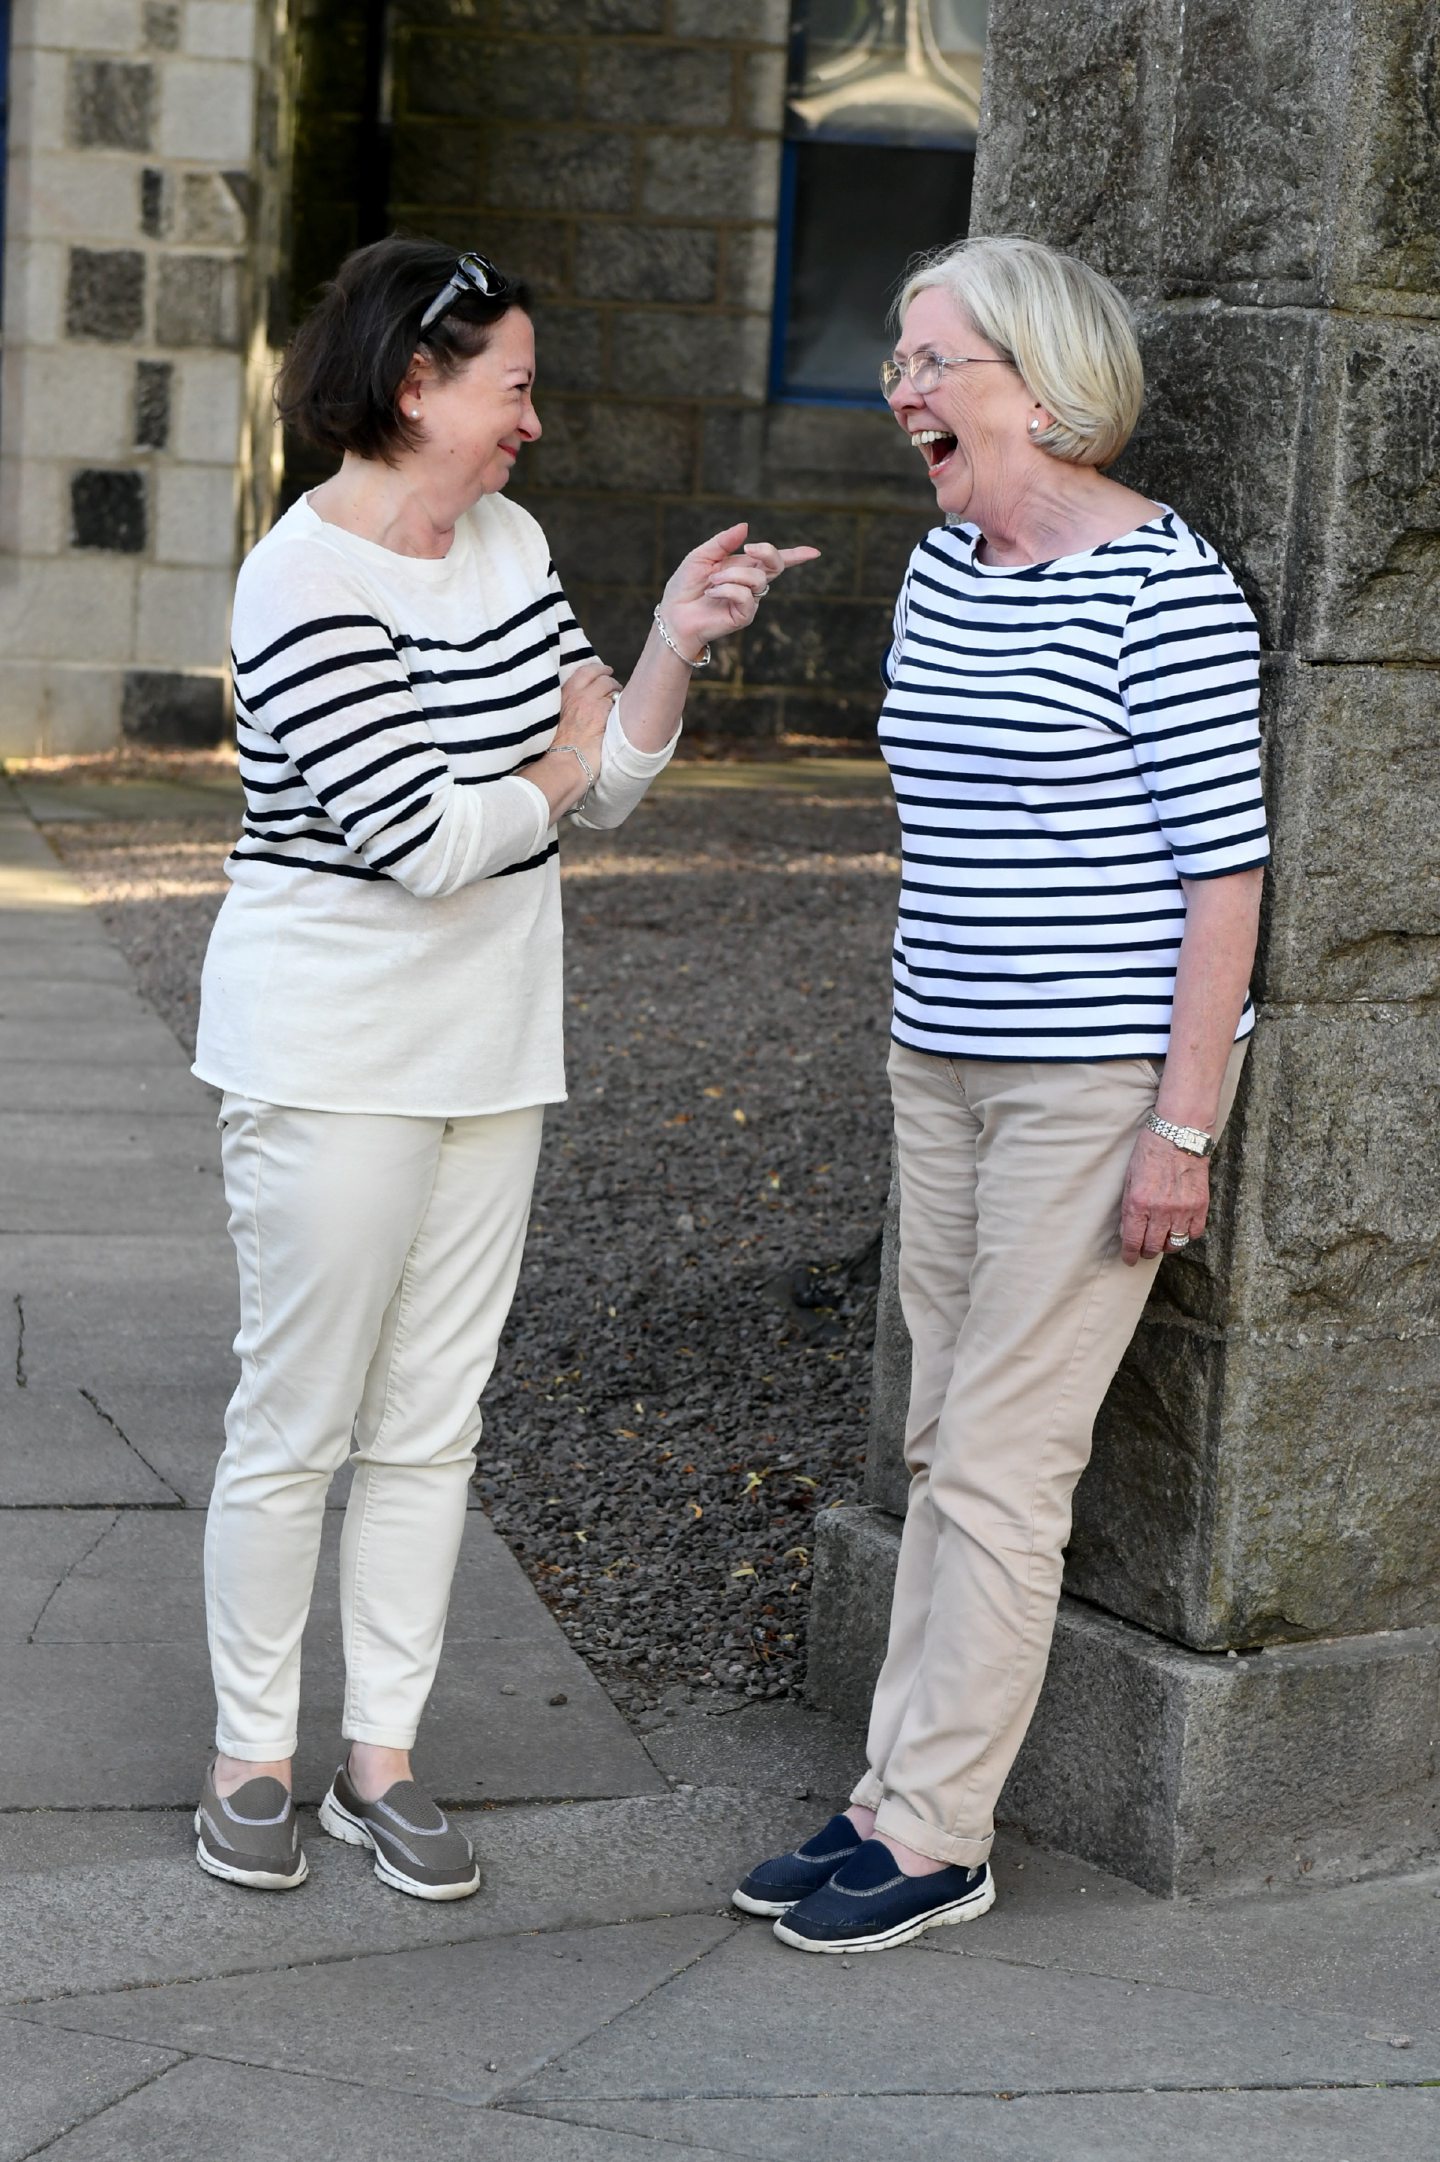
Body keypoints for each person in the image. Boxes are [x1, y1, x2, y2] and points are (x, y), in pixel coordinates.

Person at [192, 236, 817, 1899]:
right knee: (297, 1419)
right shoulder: (299, 577)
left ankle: (377, 1761)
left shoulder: (512, 542)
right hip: (328, 1052)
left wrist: (671, 640)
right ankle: (251, 1754)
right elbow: (419, 838)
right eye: (513, 385)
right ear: (417, 384)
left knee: (431, 1423)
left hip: (490, 1049)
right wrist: (543, 760)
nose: (534, 422)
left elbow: (593, 791)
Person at [735, 235, 1268, 1954]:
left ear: (1040, 389)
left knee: (1001, 1461)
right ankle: (894, 1787)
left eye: (927, 359)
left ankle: (938, 1828)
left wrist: (1182, 1130)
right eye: (894, 355)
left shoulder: (1164, 588)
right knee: (932, 1440)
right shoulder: (944, 568)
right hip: (939, 1058)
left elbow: (1223, 883)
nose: (900, 388)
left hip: (1089, 1086)